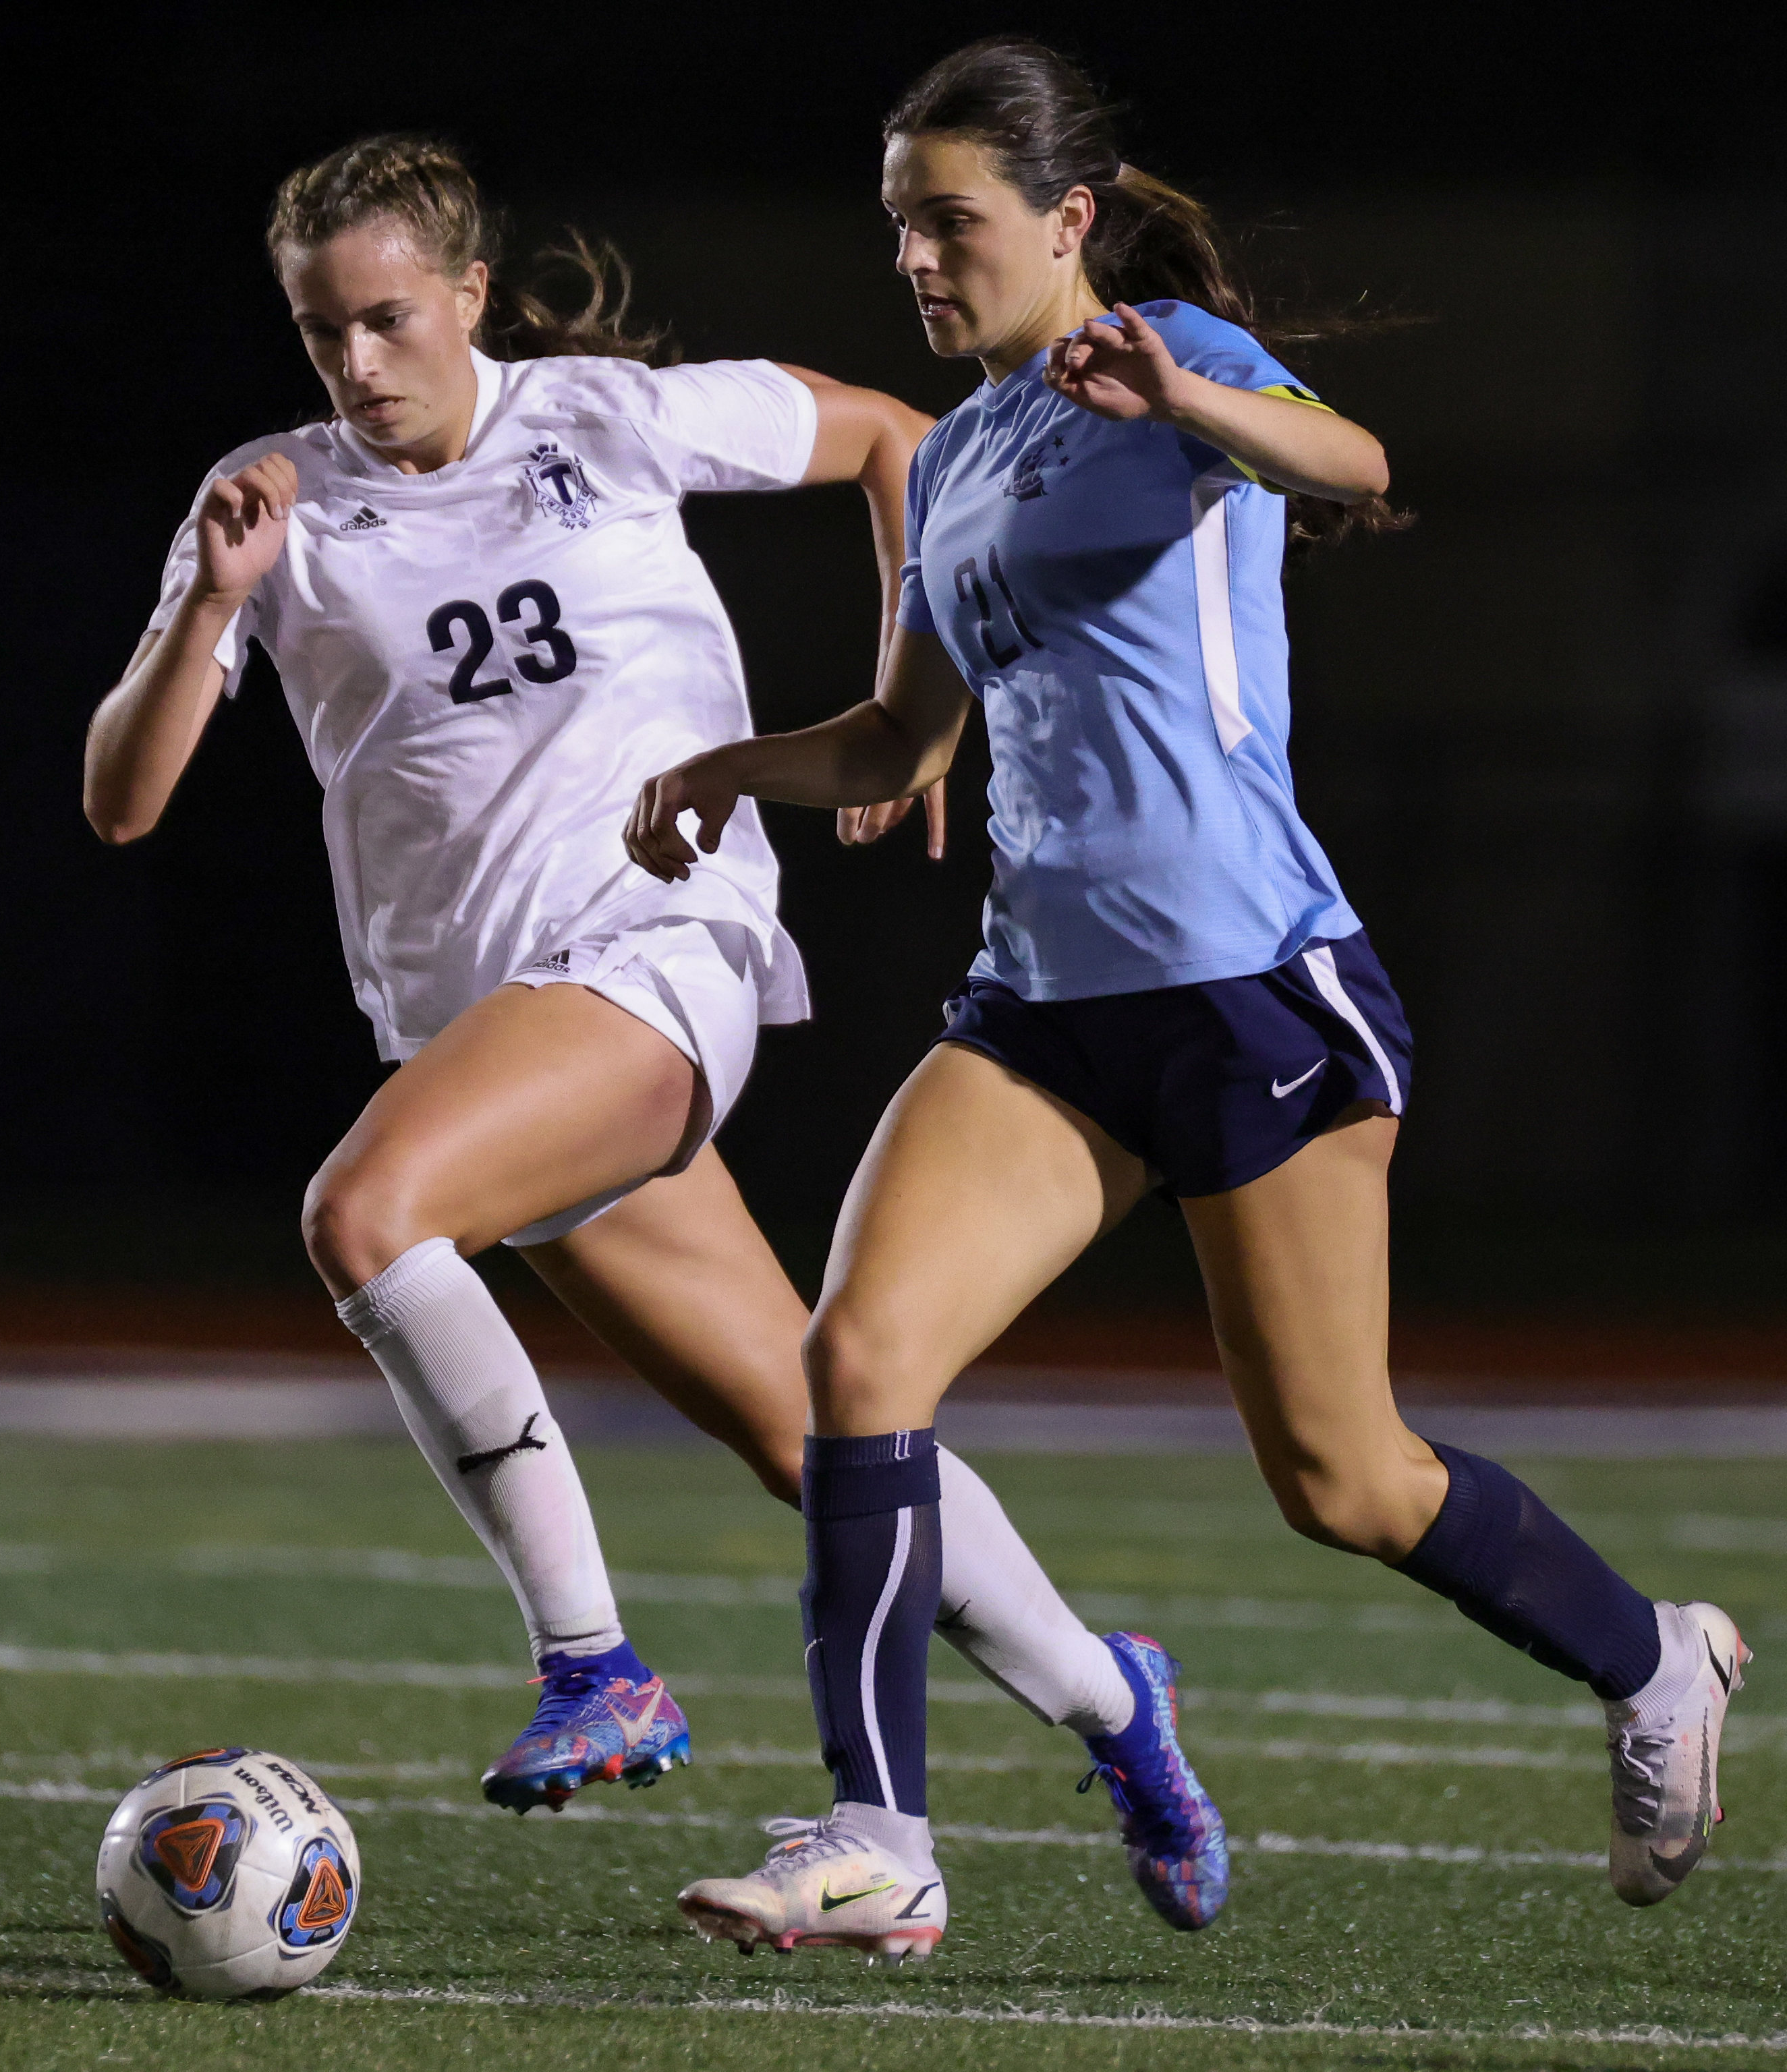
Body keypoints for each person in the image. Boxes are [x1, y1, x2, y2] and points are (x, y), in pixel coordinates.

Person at [633, 37, 1747, 1963]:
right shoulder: (964, 446)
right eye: (897, 221)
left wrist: (1194, 394)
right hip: (1042, 1008)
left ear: (1066, 218)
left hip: (1250, 994)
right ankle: (879, 1834)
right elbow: (907, 731)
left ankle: (1654, 1652)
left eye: (951, 218)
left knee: (1344, 1478)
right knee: (858, 1368)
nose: (915, 253)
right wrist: (733, 771)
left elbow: (1362, 464)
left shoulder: (1167, 360)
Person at [82, 132, 1226, 1926]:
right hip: (488, 1036)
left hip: (657, 951)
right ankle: (1112, 1697)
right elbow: (125, 802)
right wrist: (215, 604)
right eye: (323, 335)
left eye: (390, 319)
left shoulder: (600, 416)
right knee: (819, 1434)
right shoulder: (272, 505)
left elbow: (885, 438)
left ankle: (591, 1662)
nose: (359, 364)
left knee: (364, 1219)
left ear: (469, 295)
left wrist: (902, 691)